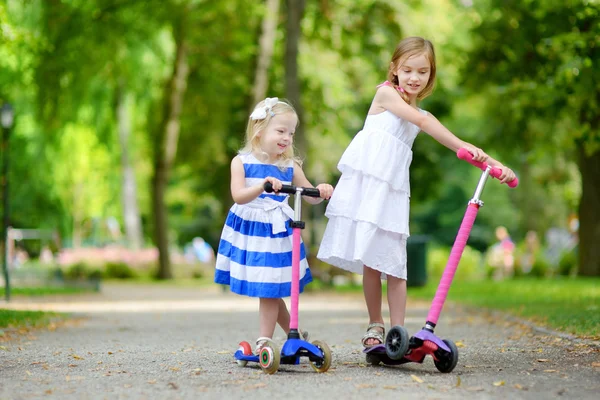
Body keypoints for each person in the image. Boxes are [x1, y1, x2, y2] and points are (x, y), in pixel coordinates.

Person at [317, 37, 516, 348]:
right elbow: (426, 123)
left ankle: (398, 332)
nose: (414, 77)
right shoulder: (385, 95)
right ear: (394, 69)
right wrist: (467, 147)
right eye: (407, 69)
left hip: (393, 192)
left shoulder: (417, 110)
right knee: (371, 262)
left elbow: (443, 134)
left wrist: (493, 163)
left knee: (395, 261)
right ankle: (375, 325)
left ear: (430, 75)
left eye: (422, 72)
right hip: (369, 188)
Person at [214, 97, 334, 354]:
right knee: (268, 287)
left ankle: (292, 334)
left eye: (291, 133)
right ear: (259, 130)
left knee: (273, 286)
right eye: (280, 131)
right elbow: (238, 195)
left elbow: (308, 195)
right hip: (253, 231)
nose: (287, 138)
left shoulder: (289, 165)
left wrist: (321, 190)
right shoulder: (242, 162)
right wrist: (261, 185)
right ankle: (265, 341)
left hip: (280, 232)